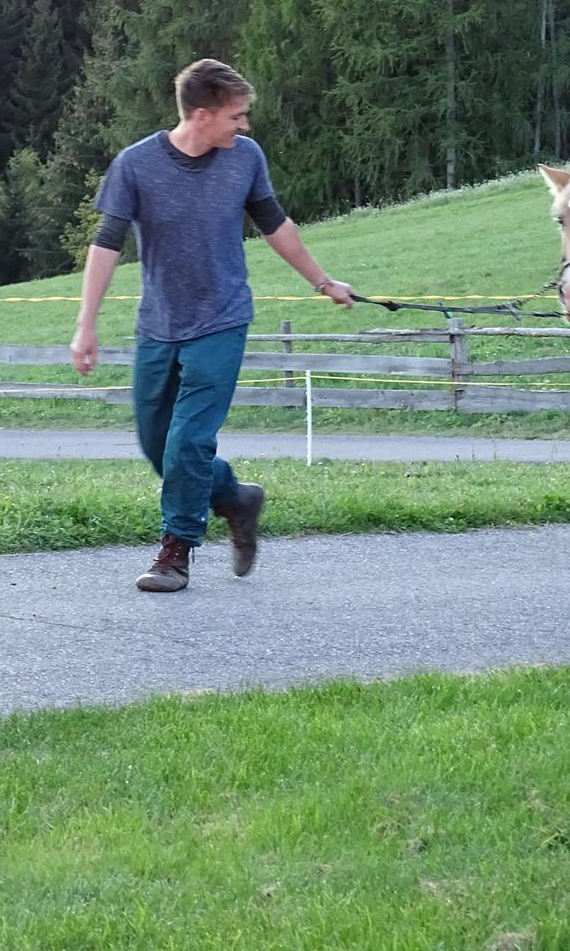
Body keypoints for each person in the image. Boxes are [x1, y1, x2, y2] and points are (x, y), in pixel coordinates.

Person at [70, 58, 358, 593]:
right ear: (201, 115)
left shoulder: (244, 159)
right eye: (236, 116)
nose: (244, 125)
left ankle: (175, 552)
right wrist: (86, 324)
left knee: (189, 441)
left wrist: (324, 282)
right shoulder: (136, 165)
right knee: (156, 444)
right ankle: (235, 498)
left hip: (222, 319)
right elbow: (106, 244)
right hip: (158, 323)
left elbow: (275, 223)